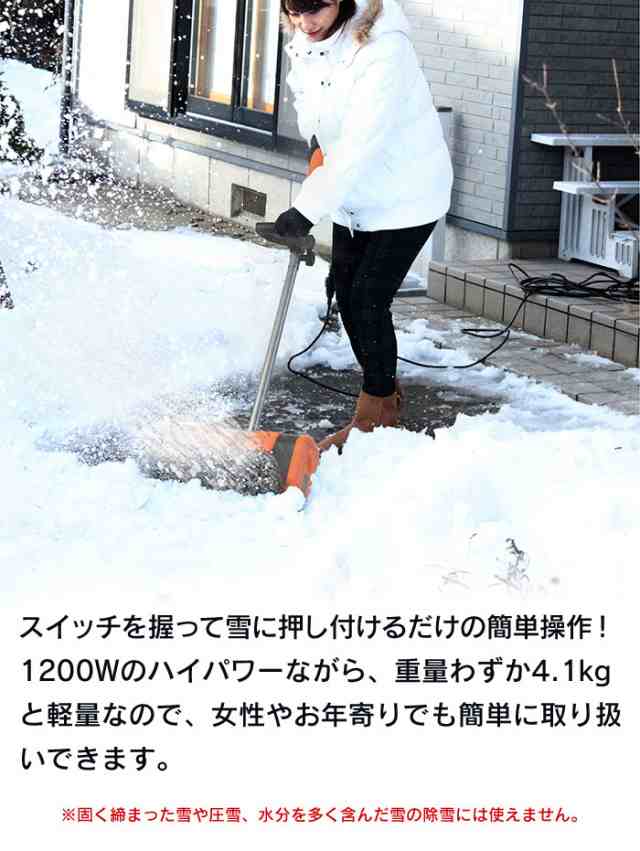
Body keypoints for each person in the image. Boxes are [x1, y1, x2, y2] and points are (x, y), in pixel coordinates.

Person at [275, 0, 453, 452]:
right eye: (295, 10)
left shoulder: (383, 49)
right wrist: (318, 146)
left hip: (406, 192)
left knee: (369, 297)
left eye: (316, 8)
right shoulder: (310, 40)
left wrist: (305, 209)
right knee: (345, 289)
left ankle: (375, 414)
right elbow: (318, 109)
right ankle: (382, 393)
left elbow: (360, 142)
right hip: (353, 192)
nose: (305, 22)